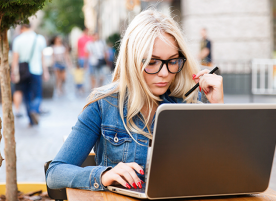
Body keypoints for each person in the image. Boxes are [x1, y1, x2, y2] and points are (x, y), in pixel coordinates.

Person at [46, 9, 223, 191]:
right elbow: (55, 172)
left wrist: (218, 110)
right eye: (152, 62)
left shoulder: (192, 100)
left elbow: (221, 170)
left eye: (172, 61)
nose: (164, 73)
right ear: (132, 60)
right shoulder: (104, 104)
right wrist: (103, 175)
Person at [11, 24, 50, 126]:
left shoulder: (18, 39)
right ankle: (35, 109)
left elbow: (15, 58)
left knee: (27, 95)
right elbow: (42, 57)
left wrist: (13, 73)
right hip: (36, 70)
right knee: (37, 94)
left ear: (22, 28)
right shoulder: (39, 38)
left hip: (23, 71)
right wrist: (45, 71)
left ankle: (31, 120)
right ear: (31, 27)